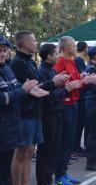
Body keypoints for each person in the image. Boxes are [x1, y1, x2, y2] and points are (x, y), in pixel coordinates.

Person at [10, 30, 68, 185]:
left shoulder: (29, 62)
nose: (36, 43)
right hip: (24, 113)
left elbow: (38, 86)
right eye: (33, 40)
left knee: (29, 152)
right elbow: (27, 89)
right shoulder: (17, 63)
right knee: (20, 152)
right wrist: (54, 83)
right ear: (24, 43)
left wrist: (52, 82)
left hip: (36, 111)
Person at [0, 36, 48, 185]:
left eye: (4, 50)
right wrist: (24, 91)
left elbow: (17, 89)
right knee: (14, 160)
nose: (3, 54)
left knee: (26, 154)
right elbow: (4, 98)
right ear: (24, 43)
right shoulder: (17, 63)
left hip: (13, 123)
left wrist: (29, 91)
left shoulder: (7, 68)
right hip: (13, 122)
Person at [53, 36, 96, 185]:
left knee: (70, 140)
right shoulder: (59, 63)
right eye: (73, 45)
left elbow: (78, 81)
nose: (76, 48)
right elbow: (61, 84)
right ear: (65, 48)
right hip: (64, 105)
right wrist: (83, 81)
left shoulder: (72, 61)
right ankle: (59, 176)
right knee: (64, 140)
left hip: (74, 103)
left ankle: (63, 173)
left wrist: (85, 78)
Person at [36, 44, 82, 185]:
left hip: (58, 111)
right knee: (47, 150)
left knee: (58, 147)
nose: (58, 55)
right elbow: (48, 95)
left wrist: (67, 84)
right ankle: (46, 180)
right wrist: (67, 89)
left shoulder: (51, 71)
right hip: (49, 114)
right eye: (56, 53)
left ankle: (60, 175)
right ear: (48, 56)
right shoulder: (42, 71)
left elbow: (56, 89)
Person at [73, 41, 88, 156]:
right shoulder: (78, 60)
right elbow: (82, 75)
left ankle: (76, 146)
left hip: (81, 95)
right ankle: (75, 147)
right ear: (85, 48)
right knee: (78, 124)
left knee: (80, 124)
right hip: (80, 96)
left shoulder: (79, 60)